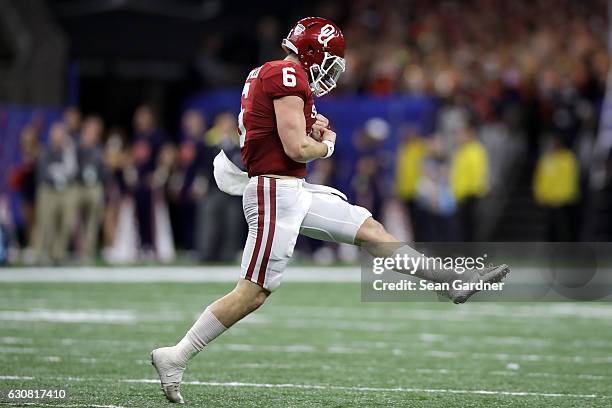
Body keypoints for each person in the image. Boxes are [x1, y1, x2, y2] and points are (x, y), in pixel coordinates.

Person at [150, 17, 510, 404]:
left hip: (291, 189)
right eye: (331, 60)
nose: (333, 71)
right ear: (312, 51)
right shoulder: (286, 75)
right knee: (252, 293)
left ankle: (450, 282)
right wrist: (327, 145)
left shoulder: (275, 73)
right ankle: (177, 355)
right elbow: (295, 149)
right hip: (275, 191)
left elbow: (281, 134)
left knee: (371, 231)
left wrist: (311, 127)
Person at [32, 122, 78, 263]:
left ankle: (58, 254)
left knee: (65, 222)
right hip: (49, 189)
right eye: (56, 135)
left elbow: (73, 171)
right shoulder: (46, 151)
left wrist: (69, 151)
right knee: (45, 222)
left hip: (64, 190)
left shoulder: (68, 151)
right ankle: (39, 253)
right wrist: (57, 174)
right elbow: (44, 173)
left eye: (61, 135)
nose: (59, 138)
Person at [533, 136, 580, 241]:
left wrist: (568, 196)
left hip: (563, 201)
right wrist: (540, 195)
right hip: (548, 200)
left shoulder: (568, 158)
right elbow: (540, 177)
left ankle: (564, 252)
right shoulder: (547, 158)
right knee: (549, 229)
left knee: (564, 229)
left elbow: (571, 178)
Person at [75, 116, 106, 262]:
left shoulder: (100, 148)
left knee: (93, 220)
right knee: (75, 219)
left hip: (95, 186)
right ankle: (78, 248)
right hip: (79, 186)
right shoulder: (77, 145)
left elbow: (104, 169)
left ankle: (89, 250)